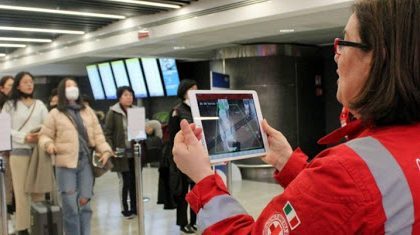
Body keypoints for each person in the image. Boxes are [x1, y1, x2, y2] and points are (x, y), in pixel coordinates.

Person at [172, 0, 420, 234]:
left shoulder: (347, 172)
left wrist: (204, 180)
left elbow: (347, 191)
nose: (336, 54)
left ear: (380, 59)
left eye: (345, 42)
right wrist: (289, 162)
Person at [39, 78, 113, 235]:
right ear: (61, 91)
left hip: (85, 163)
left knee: (85, 204)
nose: (72, 88)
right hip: (65, 164)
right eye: (68, 86)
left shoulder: (87, 111)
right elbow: (44, 136)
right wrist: (48, 145)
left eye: (74, 86)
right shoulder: (55, 113)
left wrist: (105, 150)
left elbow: (98, 135)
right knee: (70, 206)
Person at [1, 72, 48, 235]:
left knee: (38, 191)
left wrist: (38, 135)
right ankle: (22, 227)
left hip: (38, 152)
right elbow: (4, 129)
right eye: (25, 82)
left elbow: (47, 125)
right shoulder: (9, 105)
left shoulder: (40, 104)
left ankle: (39, 224)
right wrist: (24, 137)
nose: (29, 85)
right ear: (18, 86)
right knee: (21, 192)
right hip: (19, 153)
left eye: (31, 82)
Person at [167, 79, 198, 234]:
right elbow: (171, 136)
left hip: (196, 155)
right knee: (182, 192)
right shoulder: (177, 111)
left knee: (195, 191)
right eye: (192, 89)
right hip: (182, 156)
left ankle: (194, 221)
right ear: (184, 91)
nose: (195, 91)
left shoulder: (198, 108)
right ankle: (182, 222)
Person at [103, 86, 137, 219]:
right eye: (126, 95)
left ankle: (135, 207)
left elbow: (138, 132)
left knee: (135, 181)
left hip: (135, 153)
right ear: (119, 97)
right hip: (120, 152)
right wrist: (111, 148)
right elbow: (108, 133)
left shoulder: (135, 111)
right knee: (125, 181)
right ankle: (125, 208)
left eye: (131, 95)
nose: (129, 97)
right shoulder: (113, 112)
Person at [0, 75, 15, 216]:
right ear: (2, 88)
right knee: (6, 178)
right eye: (9, 85)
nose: (12, 88)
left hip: (13, 147)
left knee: (9, 179)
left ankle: (8, 205)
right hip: (5, 149)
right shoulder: (3, 104)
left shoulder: (14, 103)